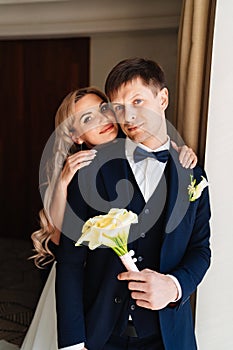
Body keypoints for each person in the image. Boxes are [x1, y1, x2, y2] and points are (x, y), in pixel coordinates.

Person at [22, 85, 196, 350]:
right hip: (93, 301)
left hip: (158, 323)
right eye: (88, 118)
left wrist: (183, 151)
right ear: (75, 135)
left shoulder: (144, 149)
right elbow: (63, 247)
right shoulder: (79, 173)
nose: (103, 120)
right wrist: (62, 184)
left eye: (104, 110)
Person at [55, 58, 211, 350]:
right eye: (119, 108)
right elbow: (70, 262)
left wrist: (174, 287)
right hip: (100, 335)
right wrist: (73, 343)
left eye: (138, 101)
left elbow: (201, 249)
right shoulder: (90, 170)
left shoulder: (193, 174)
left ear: (162, 98)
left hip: (169, 337)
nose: (129, 116)